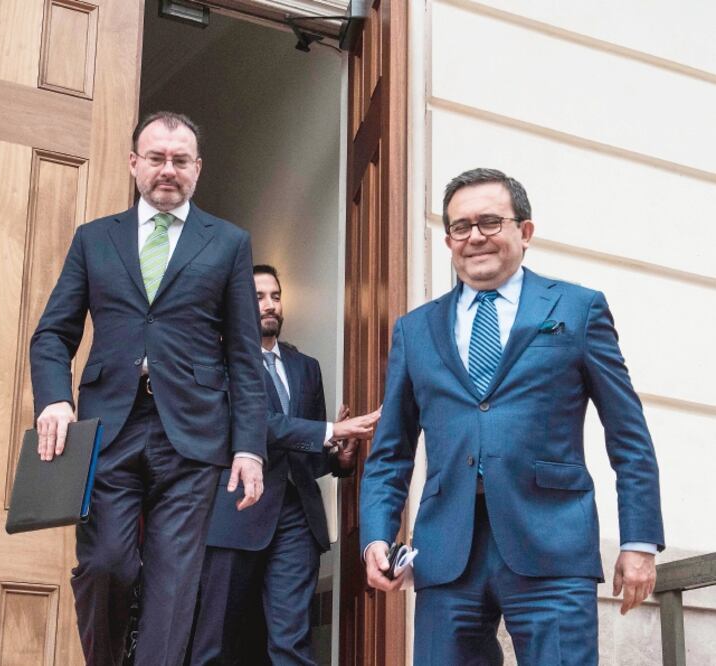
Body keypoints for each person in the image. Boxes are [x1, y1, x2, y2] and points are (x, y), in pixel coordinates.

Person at [358, 168, 664, 664]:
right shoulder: (415, 330)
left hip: (552, 547)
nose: (475, 236)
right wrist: (376, 533)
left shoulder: (578, 308)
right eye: (461, 226)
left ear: (524, 231)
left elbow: (628, 436)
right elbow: (391, 451)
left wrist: (639, 541)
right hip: (446, 553)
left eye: (490, 222)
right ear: (449, 240)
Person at [30, 111, 268, 666]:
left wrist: (249, 445)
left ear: (197, 169)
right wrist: (55, 400)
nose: (168, 170)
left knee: (173, 584)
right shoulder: (95, 239)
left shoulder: (229, 243)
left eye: (180, 160)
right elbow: (53, 334)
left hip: (194, 439)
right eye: (156, 158)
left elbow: (244, 355)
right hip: (109, 431)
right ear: (134, 163)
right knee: (106, 563)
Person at [188, 264, 381, 665]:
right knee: (214, 643)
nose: (269, 305)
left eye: (275, 296)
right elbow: (253, 423)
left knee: (291, 642)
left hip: (297, 519)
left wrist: (338, 458)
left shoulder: (305, 367)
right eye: (258, 297)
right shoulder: (218, 363)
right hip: (234, 517)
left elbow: (304, 448)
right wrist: (330, 427)